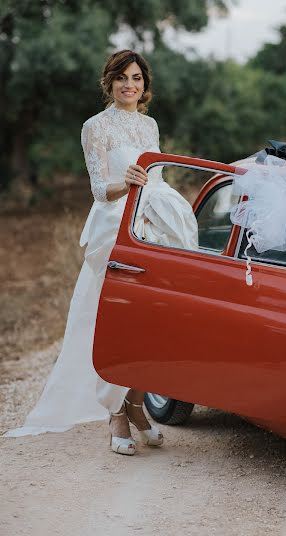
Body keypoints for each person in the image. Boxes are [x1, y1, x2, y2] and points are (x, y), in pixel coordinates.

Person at [5, 50, 198, 455]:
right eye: (123, 78)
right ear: (109, 83)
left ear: (145, 85)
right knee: (118, 324)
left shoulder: (150, 125)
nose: (130, 85)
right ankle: (116, 414)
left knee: (152, 326)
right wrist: (126, 185)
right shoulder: (96, 127)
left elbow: (156, 179)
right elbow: (98, 189)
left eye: (137, 78)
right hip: (116, 228)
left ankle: (138, 404)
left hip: (154, 229)